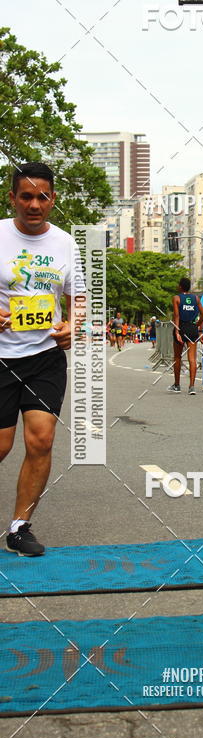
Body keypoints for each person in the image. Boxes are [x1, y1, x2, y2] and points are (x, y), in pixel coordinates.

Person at [0, 161, 80, 557]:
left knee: (41, 440)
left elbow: (78, 298)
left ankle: (19, 526)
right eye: (26, 196)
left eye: (42, 197)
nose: (34, 204)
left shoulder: (65, 243)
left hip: (45, 356)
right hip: (0, 357)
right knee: (1, 445)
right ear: (13, 197)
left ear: (52, 200)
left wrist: (73, 326)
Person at [168, 277, 201, 395]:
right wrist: (197, 325)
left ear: (180, 286)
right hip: (192, 329)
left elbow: (176, 316)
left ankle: (177, 385)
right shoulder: (196, 298)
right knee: (192, 359)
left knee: (177, 357)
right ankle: (192, 387)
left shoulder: (176, 298)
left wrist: (177, 331)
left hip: (181, 328)